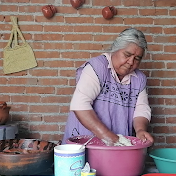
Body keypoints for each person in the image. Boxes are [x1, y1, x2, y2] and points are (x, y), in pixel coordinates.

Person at [62, 28, 154, 146]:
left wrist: (140, 130)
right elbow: (80, 105)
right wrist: (110, 137)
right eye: (127, 55)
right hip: (85, 142)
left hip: (116, 145)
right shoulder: (97, 67)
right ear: (115, 49)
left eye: (137, 58)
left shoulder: (139, 79)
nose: (131, 62)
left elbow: (141, 108)